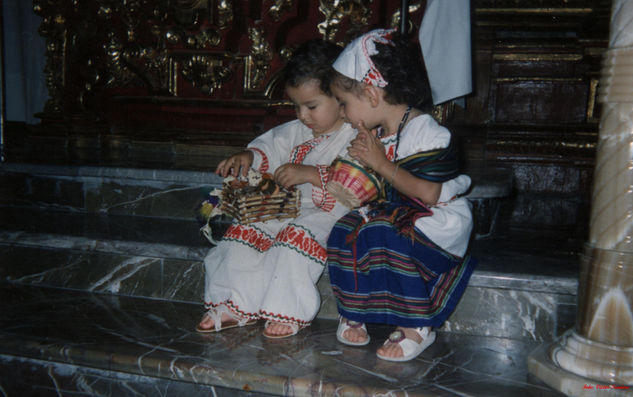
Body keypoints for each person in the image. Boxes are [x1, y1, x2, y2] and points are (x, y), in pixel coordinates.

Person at [326, 29, 477, 362]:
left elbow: (429, 193)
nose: (341, 113)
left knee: (383, 232)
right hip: (400, 214)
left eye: (344, 104)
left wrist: (378, 163)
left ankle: (416, 326)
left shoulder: (427, 130)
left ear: (371, 94)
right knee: (343, 229)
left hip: (438, 220)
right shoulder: (380, 131)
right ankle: (356, 311)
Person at [197, 39, 356, 338]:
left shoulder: (355, 134)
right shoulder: (296, 131)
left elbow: (356, 183)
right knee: (245, 232)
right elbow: (267, 147)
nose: (302, 116)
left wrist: (311, 174)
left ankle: (287, 309)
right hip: (286, 209)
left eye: (311, 106)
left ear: (340, 97)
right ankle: (234, 302)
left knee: (294, 240)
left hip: (331, 213)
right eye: (296, 106)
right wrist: (248, 157)